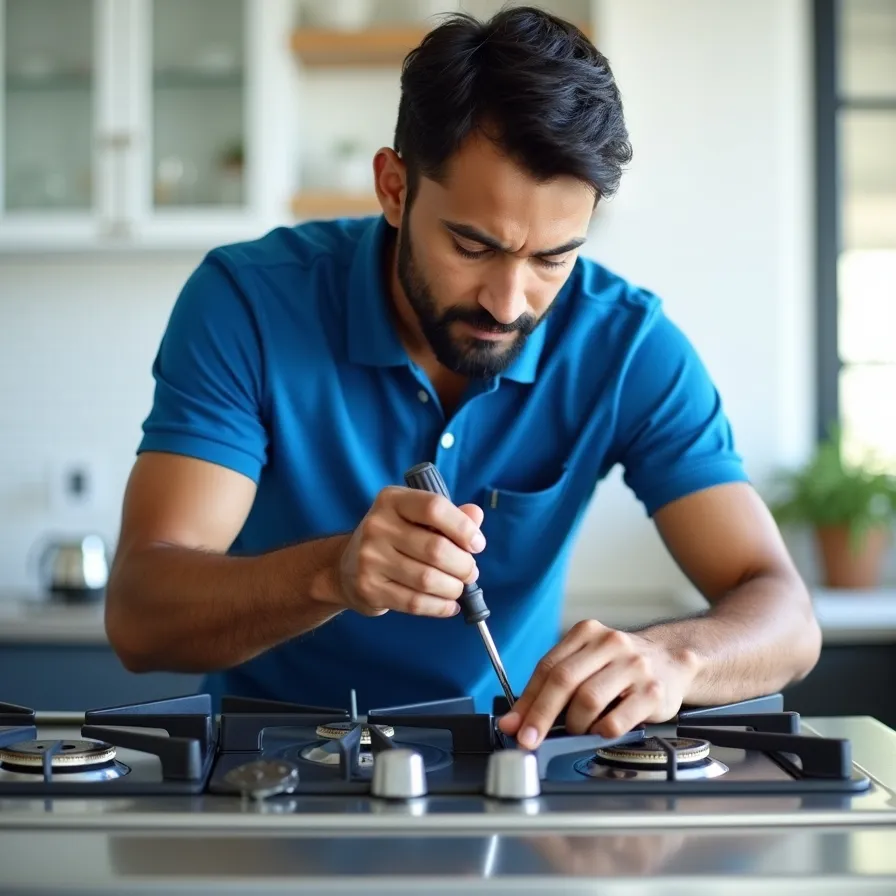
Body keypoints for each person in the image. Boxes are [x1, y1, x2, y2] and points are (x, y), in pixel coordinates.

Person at [105, 6, 821, 751]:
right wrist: (334, 572)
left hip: (507, 769)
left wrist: (676, 659)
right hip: (266, 773)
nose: (508, 304)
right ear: (393, 188)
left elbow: (787, 619)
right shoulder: (247, 303)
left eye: (552, 258)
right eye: (472, 245)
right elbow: (140, 619)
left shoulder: (628, 344)